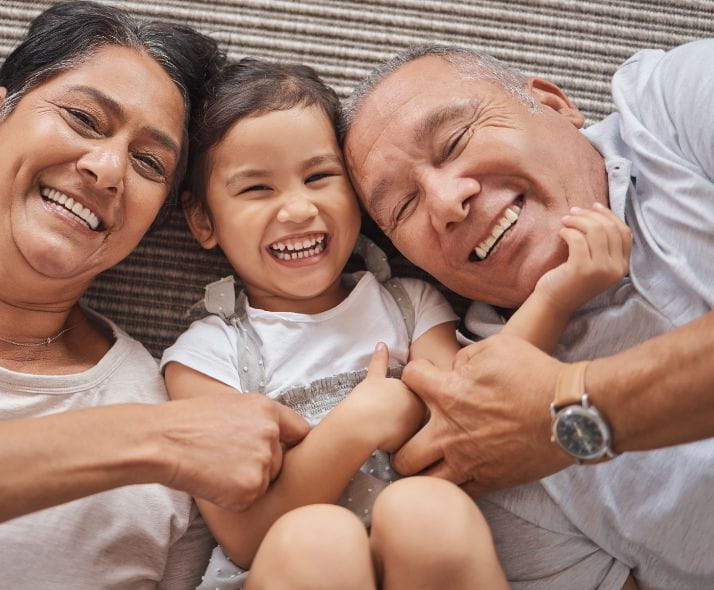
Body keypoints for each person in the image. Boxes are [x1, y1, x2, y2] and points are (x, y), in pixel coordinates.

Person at [162, 58, 629, 589]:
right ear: (203, 220)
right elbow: (246, 537)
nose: (297, 209)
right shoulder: (205, 357)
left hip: (423, 563)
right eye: (256, 189)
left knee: (425, 508)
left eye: (319, 178)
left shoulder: (408, 305)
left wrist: (555, 297)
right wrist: (362, 420)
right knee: (317, 536)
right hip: (289, 569)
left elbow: (474, 415)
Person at [0, 3, 311, 587]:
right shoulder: (180, 435)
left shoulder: (187, 413)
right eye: (84, 119)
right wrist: (149, 439)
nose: (107, 168)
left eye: (149, 162)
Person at [342, 41, 714, 588]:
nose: (446, 203)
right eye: (403, 207)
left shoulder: (670, 103)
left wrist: (563, 413)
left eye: (455, 141)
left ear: (554, 103)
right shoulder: (475, 430)